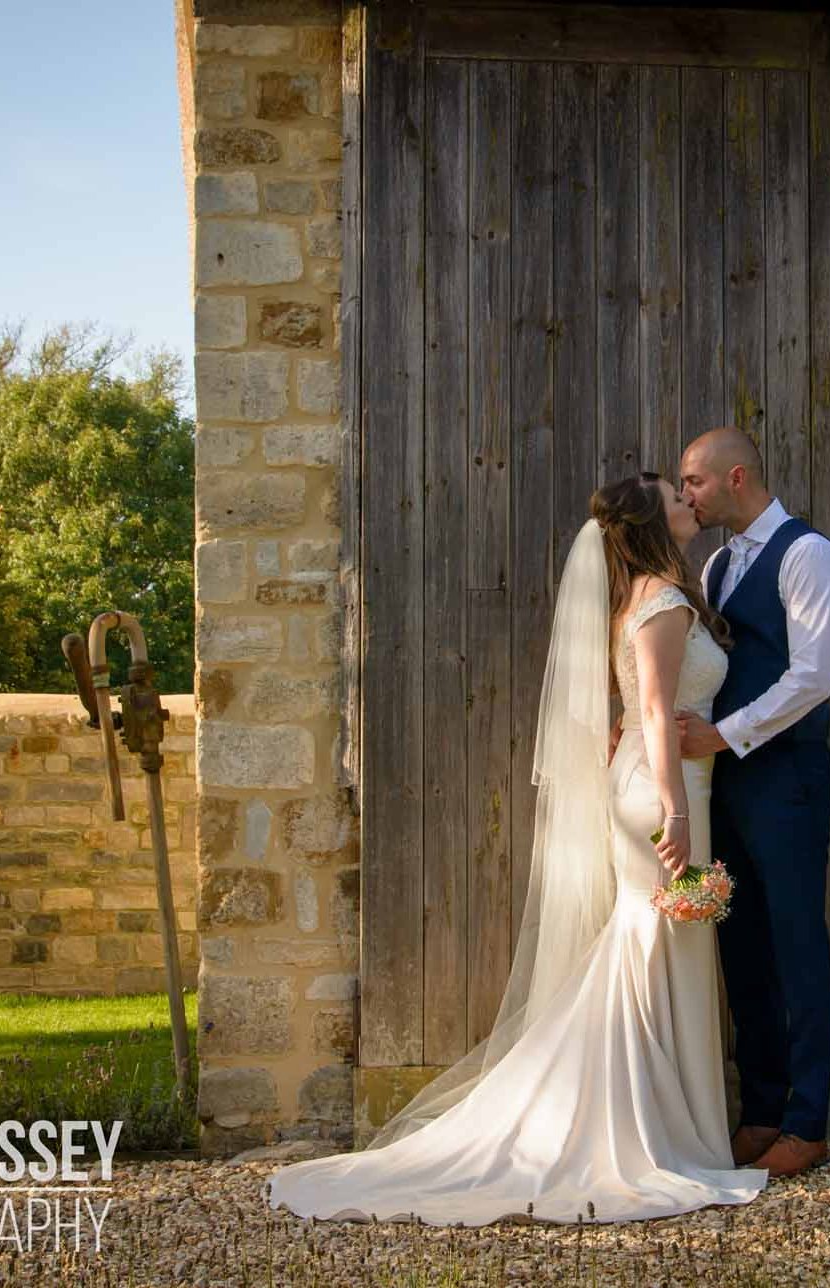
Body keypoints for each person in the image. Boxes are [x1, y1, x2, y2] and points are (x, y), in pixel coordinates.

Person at [265, 472, 769, 1226]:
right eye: (673, 496)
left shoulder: (650, 598)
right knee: (654, 947)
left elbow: (631, 706)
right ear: (650, 525)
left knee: (656, 950)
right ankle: (646, 1131)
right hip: (662, 788)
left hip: (653, 778)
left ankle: (661, 1123)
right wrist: (674, 810)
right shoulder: (661, 604)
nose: (686, 502)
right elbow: (659, 714)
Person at [677, 427, 830, 1180]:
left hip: (788, 778)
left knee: (796, 942)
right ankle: (762, 1110)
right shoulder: (715, 564)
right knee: (740, 942)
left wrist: (722, 735)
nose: (687, 496)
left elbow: (813, 677)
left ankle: (808, 1123)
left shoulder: (809, 555)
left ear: (736, 476)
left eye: (695, 482)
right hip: (727, 780)